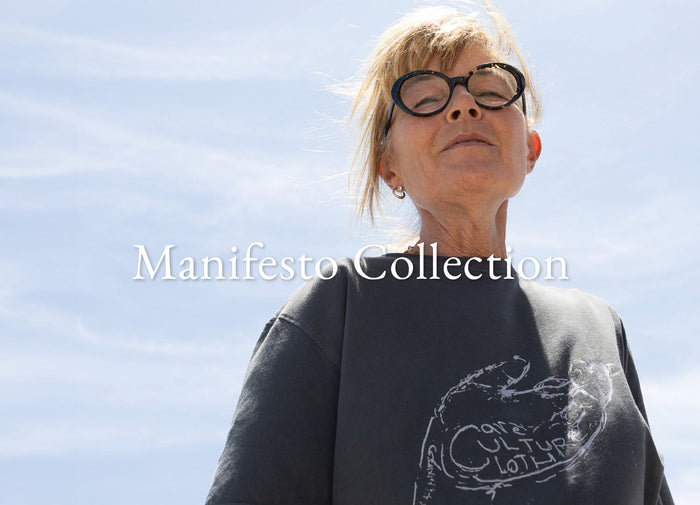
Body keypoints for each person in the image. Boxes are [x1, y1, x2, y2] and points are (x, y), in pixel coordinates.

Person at [205, 4, 674, 505]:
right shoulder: (338, 309)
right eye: (425, 98)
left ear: (530, 149)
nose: (464, 106)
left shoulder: (598, 328)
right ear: (389, 166)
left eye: (491, 92)